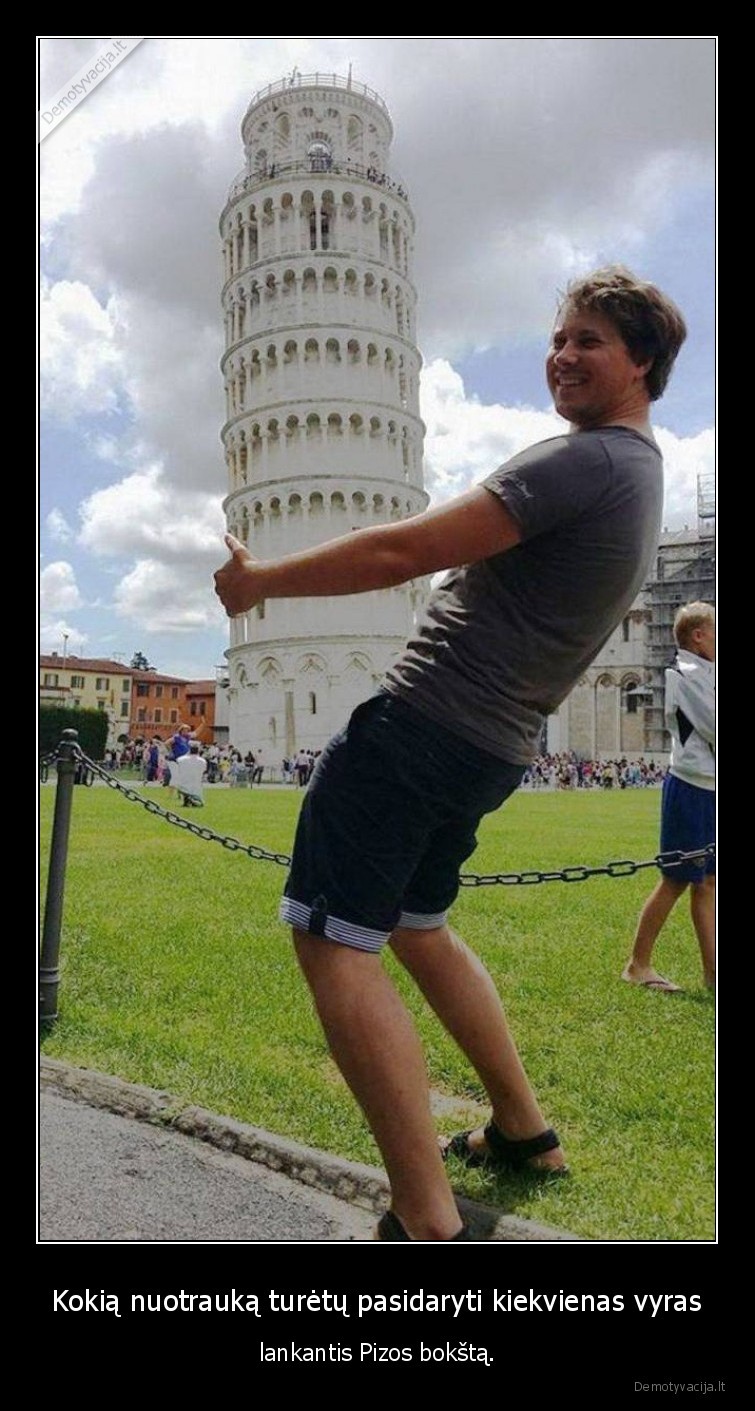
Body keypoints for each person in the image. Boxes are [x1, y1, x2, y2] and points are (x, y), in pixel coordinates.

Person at [214, 264, 687, 1242]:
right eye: (557, 338)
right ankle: (521, 1129)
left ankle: (425, 1215)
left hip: (421, 726)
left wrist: (260, 582)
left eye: (587, 341)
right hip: (491, 743)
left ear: (640, 361)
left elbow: (402, 550)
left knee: (331, 940)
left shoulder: (583, 464)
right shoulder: (637, 474)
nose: (560, 356)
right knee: (416, 926)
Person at [622, 602, 715, 993]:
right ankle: (637, 964)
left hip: (709, 788)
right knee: (675, 880)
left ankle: (713, 974)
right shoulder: (685, 674)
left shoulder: (705, 673)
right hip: (690, 788)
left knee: (708, 883)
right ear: (698, 636)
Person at [170, 741, 207, 807]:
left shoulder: (180, 759)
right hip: (196, 787)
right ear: (198, 751)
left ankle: (187, 799)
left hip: (182, 786)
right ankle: (191, 799)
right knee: (200, 803)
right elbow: (204, 771)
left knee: (185, 786)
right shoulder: (202, 761)